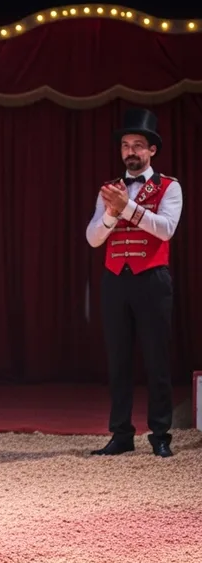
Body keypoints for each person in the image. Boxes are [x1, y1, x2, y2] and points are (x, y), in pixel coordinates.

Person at [85, 108, 183, 457]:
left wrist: (126, 208)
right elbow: (94, 238)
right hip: (115, 281)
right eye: (126, 145)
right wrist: (112, 212)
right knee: (118, 360)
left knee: (157, 359)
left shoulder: (170, 187)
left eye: (138, 145)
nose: (131, 151)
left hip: (152, 280)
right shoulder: (110, 191)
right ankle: (121, 434)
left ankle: (160, 435)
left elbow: (165, 228)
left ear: (152, 150)